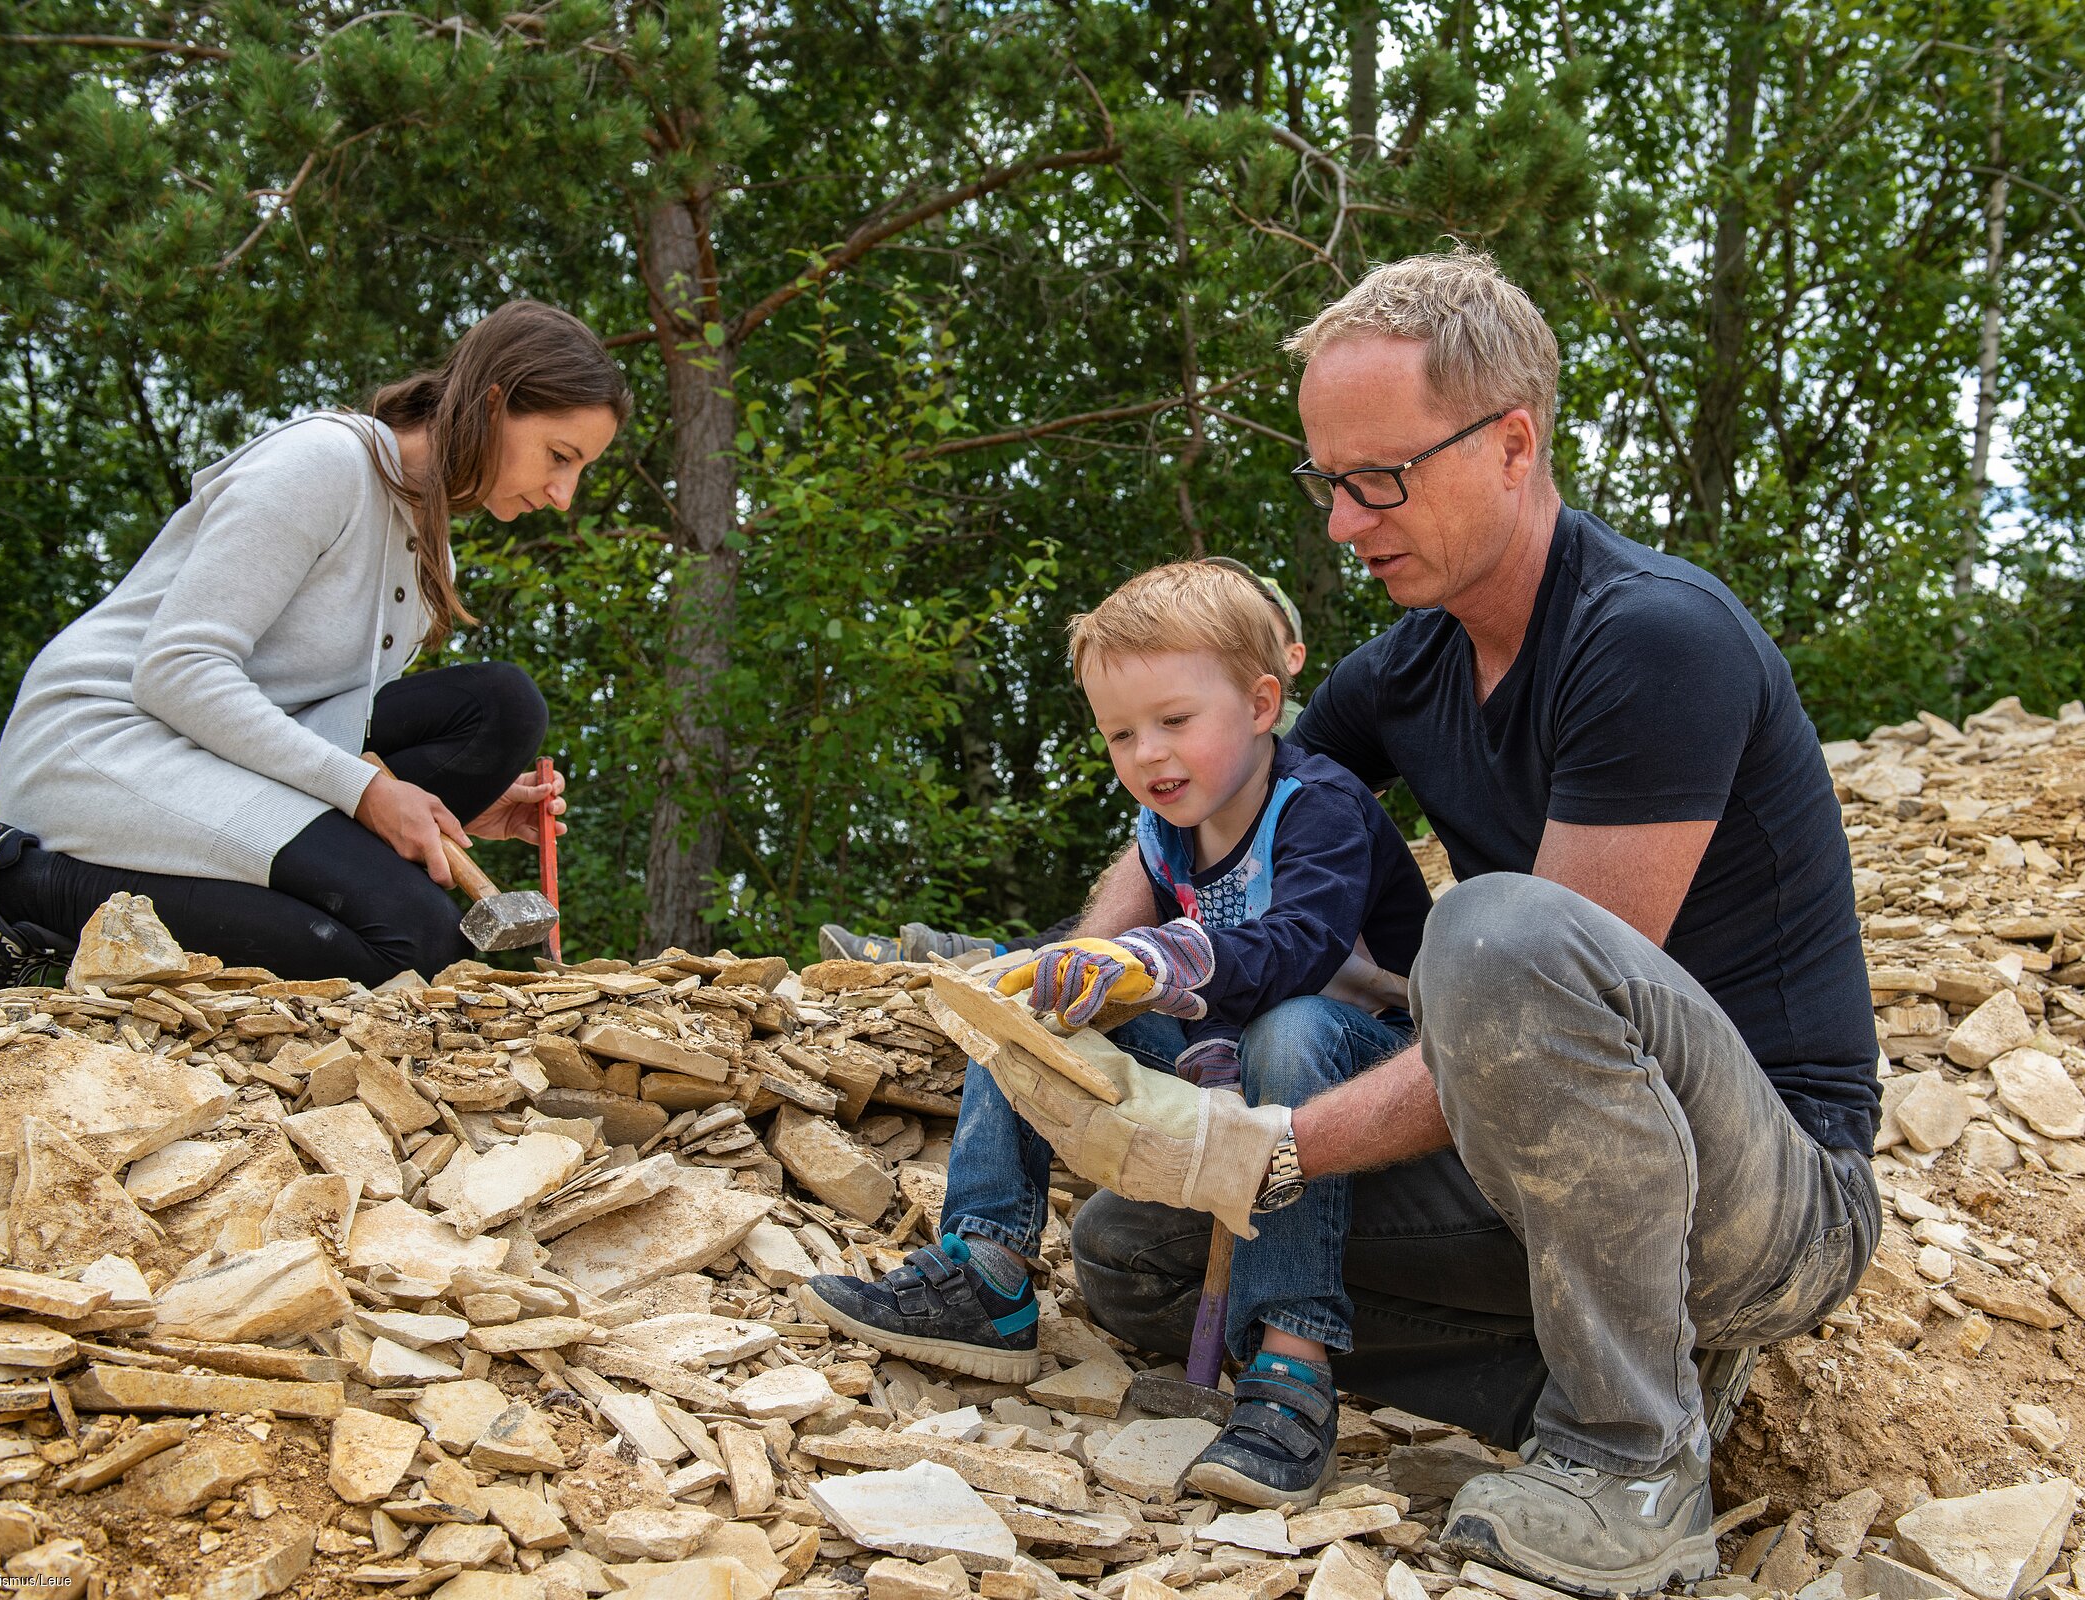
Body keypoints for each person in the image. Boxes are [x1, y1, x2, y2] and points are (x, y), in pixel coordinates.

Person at [983, 252, 1880, 1597]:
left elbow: (1537, 1003)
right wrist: (1085, 962)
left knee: (1495, 940)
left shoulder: (1654, 640)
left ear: (1511, 442)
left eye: (1378, 480)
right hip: (1549, 1182)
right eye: (1327, 482)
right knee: (1142, 1260)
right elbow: (1215, 792)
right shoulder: (1406, 670)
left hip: (1766, 1196)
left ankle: (1630, 1460)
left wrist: (1271, 1144)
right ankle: (1619, 1383)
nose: (1344, 523)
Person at [800, 560, 1430, 1509]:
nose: (1147, 754)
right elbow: (1139, 964)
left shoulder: (1324, 808)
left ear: (1263, 703)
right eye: (1119, 733)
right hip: (1232, 1039)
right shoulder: (1167, 823)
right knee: (1022, 1005)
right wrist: (1079, 973)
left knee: (1292, 1031)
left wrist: (1164, 962)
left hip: (1361, 1061)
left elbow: (1299, 950)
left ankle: (1292, 1365)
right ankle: (990, 1270)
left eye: (1175, 722)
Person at [0, 300, 626, 989]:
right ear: (494, 402)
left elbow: (325, 720)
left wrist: (459, 804)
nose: (564, 493)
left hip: (219, 759)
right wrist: (368, 793)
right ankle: (12, 889)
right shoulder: (325, 463)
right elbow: (177, 673)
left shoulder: (428, 551)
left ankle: (336, 913)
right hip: (107, 747)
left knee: (500, 709)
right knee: (422, 944)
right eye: (559, 455)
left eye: (581, 469)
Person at [815, 556, 1311, 967]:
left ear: (1290, 657)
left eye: (1258, 625)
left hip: (1257, 970)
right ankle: (989, 957)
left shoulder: (1301, 757)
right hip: (1199, 951)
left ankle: (996, 958)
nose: (1150, 749)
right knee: (1111, 907)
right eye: (1120, 733)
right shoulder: (1178, 774)